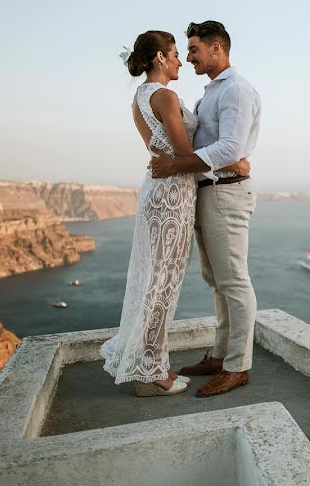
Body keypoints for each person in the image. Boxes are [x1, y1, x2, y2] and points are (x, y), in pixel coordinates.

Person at [100, 30, 249, 396]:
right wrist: (235, 164)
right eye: (175, 54)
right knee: (163, 283)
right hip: (174, 193)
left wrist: (189, 162)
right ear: (158, 59)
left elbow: (165, 152)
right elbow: (182, 153)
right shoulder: (165, 95)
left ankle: (155, 364)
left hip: (159, 191)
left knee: (153, 278)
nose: (182, 60)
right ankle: (152, 374)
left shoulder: (139, 97)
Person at [150, 21, 262, 398]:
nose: (190, 57)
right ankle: (220, 353)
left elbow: (231, 149)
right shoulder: (210, 94)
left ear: (217, 48)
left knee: (234, 281)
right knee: (216, 280)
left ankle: (237, 366)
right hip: (207, 191)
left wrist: (178, 166)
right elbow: (220, 150)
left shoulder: (237, 90)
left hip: (226, 193)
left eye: (194, 49)